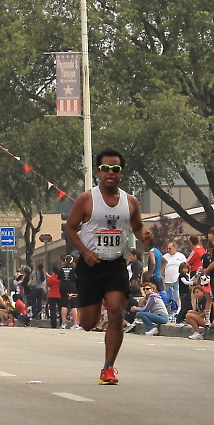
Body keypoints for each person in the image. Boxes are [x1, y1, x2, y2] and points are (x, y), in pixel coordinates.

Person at [64, 148, 154, 385]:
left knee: (115, 312)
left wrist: (145, 235)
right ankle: (88, 312)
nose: (110, 173)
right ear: (98, 172)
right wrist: (84, 252)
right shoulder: (87, 199)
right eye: (105, 169)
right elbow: (70, 228)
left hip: (115, 264)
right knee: (88, 323)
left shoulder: (130, 201)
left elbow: (137, 226)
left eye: (115, 169)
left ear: (121, 173)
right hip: (90, 265)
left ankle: (108, 367)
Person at [161, 242, 187, 310]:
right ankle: (168, 309)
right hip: (167, 280)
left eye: (170, 248)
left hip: (177, 279)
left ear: (175, 248)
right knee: (167, 295)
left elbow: (185, 265)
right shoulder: (164, 257)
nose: (168, 250)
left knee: (177, 295)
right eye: (168, 248)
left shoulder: (181, 256)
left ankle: (178, 309)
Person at [58, 255, 80, 329]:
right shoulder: (75, 269)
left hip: (63, 286)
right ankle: (75, 324)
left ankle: (63, 323)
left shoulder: (61, 269)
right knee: (74, 305)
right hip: (72, 286)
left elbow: (59, 279)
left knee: (64, 304)